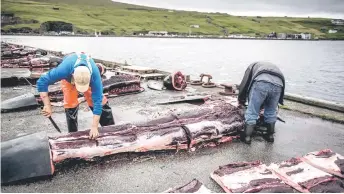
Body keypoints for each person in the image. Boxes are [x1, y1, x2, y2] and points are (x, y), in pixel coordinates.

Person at [37, 52, 115, 139]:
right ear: (73, 75)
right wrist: (47, 105)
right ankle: (73, 135)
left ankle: (111, 129)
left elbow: (97, 101)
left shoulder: (95, 76)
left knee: (95, 100)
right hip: (69, 76)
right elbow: (41, 82)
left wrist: (94, 127)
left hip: (85, 76)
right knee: (70, 103)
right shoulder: (63, 70)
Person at [238, 61, 285, 144]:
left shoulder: (250, 67)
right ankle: (270, 136)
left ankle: (247, 137)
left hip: (261, 82)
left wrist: (241, 99)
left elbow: (244, 84)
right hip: (279, 84)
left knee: (252, 110)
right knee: (271, 110)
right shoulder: (266, 65)